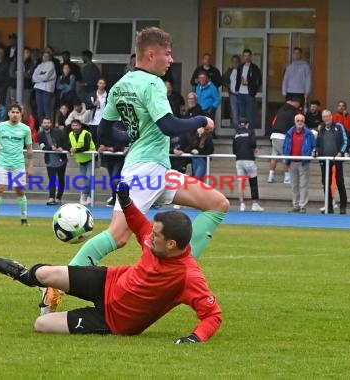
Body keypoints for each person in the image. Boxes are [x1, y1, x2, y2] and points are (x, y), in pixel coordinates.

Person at [41, 27, 228, 315]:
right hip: (146, 171)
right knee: (118, 235)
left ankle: (178, 271)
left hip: (154, 169)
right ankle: (57, 283)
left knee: (217, 203)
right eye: (167, 54)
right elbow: (169, 125)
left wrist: (133, 139)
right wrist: (200, 118)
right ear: (151, 54)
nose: (170, 59)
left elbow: (104, 132)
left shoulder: (120, 85)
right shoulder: (152, 84)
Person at [0, 182, 222, 343]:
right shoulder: (154, 240)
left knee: (41, 325)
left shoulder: (188, 276)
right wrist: (125, 199)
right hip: (108, 280)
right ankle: (25, 276)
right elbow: (139, 223)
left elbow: (213, 315)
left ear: (171, 244)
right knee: (45, 274)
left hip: (115, 321)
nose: (150, 236)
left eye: (157, 235)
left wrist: (195, 338)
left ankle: (49, 301)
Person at [0, 104, 34, 226]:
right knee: (0, 188)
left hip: (18, 164)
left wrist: (30, 166)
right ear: (8, 113)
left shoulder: (25, 129)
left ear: (21, 114)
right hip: (3, 163)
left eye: (17, 112)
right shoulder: (0, 126)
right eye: (13, 112)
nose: (15, 114)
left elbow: (29, 149)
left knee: (20, 190)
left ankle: (24, 219)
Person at [314, 109, 348, 215]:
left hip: (337, 159)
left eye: (328, 116)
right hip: (324, 160)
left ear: (331, 117)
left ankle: (343, 206)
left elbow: (346, 140)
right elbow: (318, 144)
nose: (326, 119)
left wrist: (341, 152)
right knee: (325, 183)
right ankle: (329, 206)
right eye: (324, 117)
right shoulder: (321, 129)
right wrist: (316, 152)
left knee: (339, 182)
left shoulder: (339, 126)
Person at [283, 114, 316, 213]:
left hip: (303, 162)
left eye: (302, 120)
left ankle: (303, 206)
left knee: (303, 185)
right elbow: (285, 146)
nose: (300, 122)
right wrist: (286, 159)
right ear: (295, 121)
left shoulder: (309, 133)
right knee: (294, 185)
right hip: (292, 162)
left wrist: (313, 151)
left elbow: (314, 146)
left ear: (304, 122)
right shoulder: (289, 133)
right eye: (298, 120)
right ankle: (295, 205)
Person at [233, 118, 263, 212]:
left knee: (240, 183)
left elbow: (234, 150)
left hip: (239, 160)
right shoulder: (250, 132)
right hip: (249, 159)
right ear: (247, 124)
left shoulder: (236, 134)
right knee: (253, 182)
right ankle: (255, 204)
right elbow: (253, 144)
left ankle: (242, 204)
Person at [269, 97, 302, 184]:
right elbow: (296, 126)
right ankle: (287, 177)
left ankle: (270, 176)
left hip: (274, 135)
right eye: (298, 103)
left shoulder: (280, 110)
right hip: (282, 136)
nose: (298, 105)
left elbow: (273, 122)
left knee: (274, 156)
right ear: (293, 102)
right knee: (286, 156)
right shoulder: (294, 112)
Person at [37, 117, 68, 205]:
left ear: (51, 124)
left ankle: (59, 198)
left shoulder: (58, 132)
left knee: (61, 179)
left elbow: (65, 142)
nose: (46, 124)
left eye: (48, 123)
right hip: (49, 161)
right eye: (45, 123)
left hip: (61, 160)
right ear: (42, 124)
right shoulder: (40, 134)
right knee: (52, 179)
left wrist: (61, 147)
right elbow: (42, 147)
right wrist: (51, 148)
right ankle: (51, 197)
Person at [68, 119, 95, 206]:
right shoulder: (70, 134)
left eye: (76, 125)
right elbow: (69, 145)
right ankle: (87, 196)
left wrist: (76, 150)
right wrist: (70, 149)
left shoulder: (86, 133)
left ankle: (85, 194)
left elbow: (86, 147)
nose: (74, 127)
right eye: (73, 125)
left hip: (91, 159)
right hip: (81, 160)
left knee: (88, 177)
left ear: (80, 126)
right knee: (85, 179)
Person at [236, 49, 262, 128]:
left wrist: (249, 83)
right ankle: (242, 132)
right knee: (241, 113)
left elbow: (259, 81)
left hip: (249, 93)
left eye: (248, 56)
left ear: (251, 57)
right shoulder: (240, 67)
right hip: (240, 93)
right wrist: (237, 89)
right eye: (245, 56)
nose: (246, 57)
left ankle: (250, 132)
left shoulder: (254, 68)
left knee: (249, 113)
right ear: (243, 57)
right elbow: (237, 79)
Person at [223, 55, 241, 128]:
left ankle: (242, 132)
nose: (235, 63)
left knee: (241, 115)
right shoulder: (229, 71)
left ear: (239, 63)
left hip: (241, 95)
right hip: (233, 95)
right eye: (233, 62)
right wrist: (229, 86)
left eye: (236, 62)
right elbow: (223, 80)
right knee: (234, 114)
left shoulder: (242, 70)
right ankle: (237, 132)